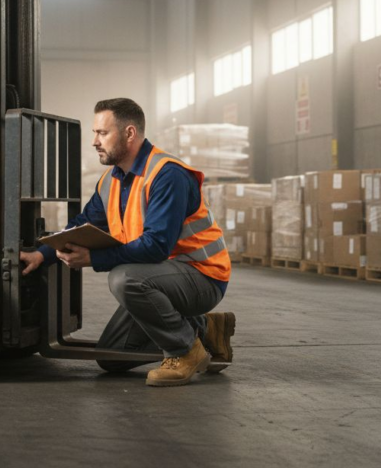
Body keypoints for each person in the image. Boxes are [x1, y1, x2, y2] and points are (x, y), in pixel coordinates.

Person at [19, 98, 235, 387]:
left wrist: (94, 259)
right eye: (95, 133)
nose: (95, 141)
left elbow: (157, 246)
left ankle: (184, 351)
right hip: (161, 277)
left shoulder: (167, 175)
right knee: (113, 357)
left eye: (102, 133)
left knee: (124, 278)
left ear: (129, 133)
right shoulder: (111, 181)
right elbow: (84, 224)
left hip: (202, 276)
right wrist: (42, 254)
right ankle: (207, 329)